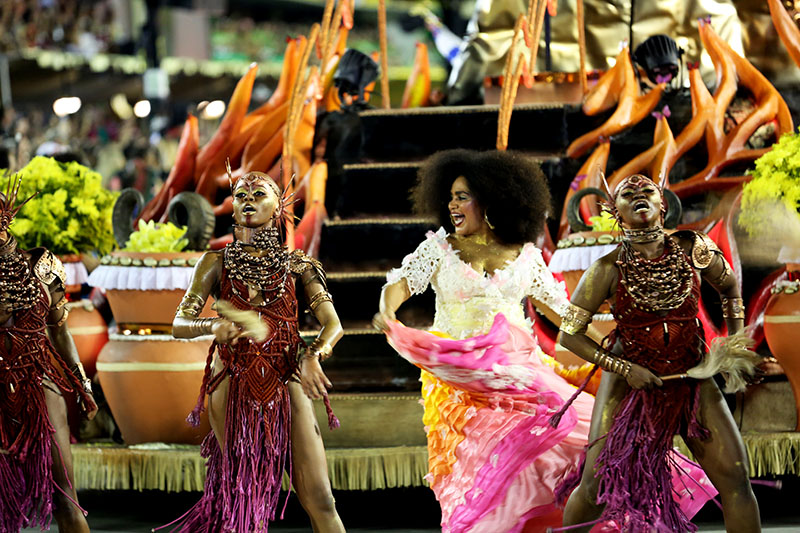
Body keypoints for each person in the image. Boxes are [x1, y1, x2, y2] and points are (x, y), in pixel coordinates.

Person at [557, 173, 760, 532]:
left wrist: (735, 342)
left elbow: (730, 288)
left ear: (662, 203)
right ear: (614, 210)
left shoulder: (692, 248)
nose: (639, 195)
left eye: (647, 190)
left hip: (691, 377)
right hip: (630, 384)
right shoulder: (605, 269)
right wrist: (622, 368)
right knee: (594, 486)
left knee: (736, 478)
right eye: (627, 194)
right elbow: (569, 335)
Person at [162, 170, 345, 532]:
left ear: (279, 207)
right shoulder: (214, 263)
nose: (248, 200)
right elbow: (179, 324)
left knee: (321, 498)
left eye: (259, 194)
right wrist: (212, 326)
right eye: (241, 194)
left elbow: (334, 325)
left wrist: (312, 354)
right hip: (232, 378)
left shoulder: (298, 265)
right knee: (246, 496)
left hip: (287, 374)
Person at [0, 173, 98, 532]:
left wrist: (84, 385)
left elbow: (61, 332)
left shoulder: (40, 264)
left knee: (65, 497)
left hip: (40, 384)